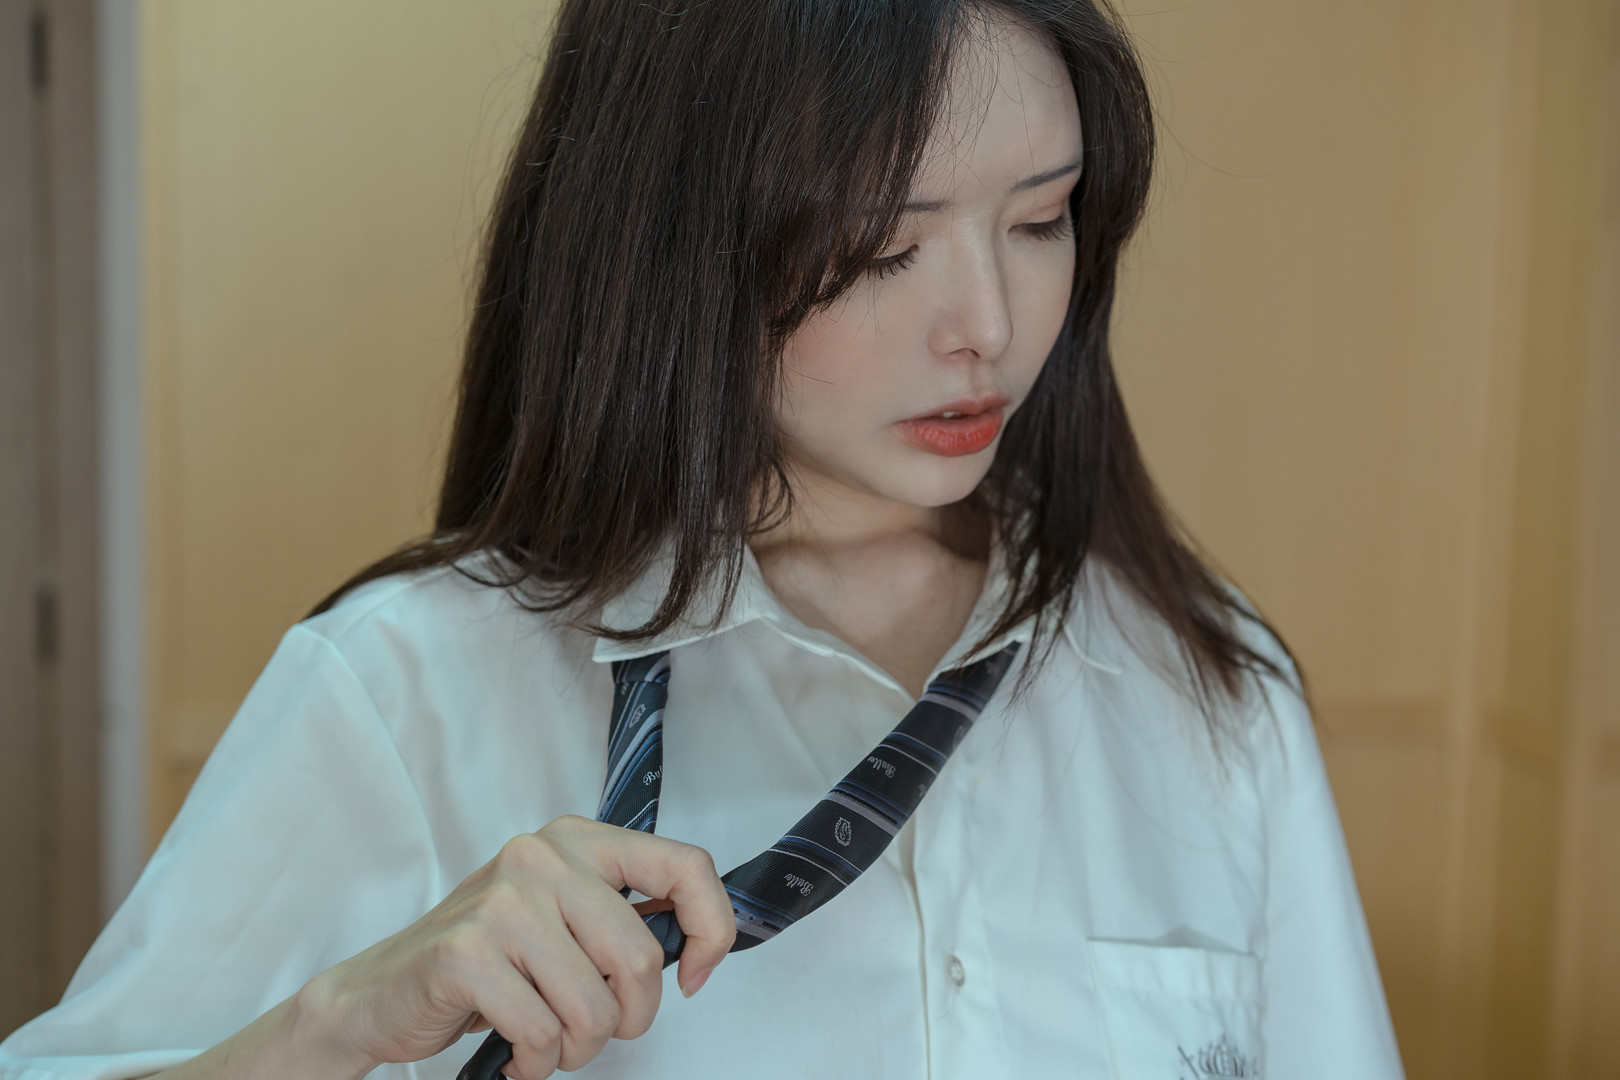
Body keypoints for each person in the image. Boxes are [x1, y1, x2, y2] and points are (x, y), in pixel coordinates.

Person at [0, 1, 1406, 1078]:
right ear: (677, 237)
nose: (988, 321)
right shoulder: (406, 693)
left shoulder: (1205, 689)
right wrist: (339, 1023)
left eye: (1042, 220)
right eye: (888, 246)